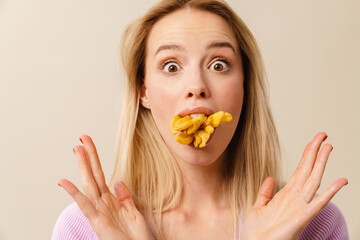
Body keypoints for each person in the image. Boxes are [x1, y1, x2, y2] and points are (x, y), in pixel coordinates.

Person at [52, 0, 349, 239]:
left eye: (219, 64)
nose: (197, 86)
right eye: (171, 66)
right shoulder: (87, 228)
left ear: (244, 86)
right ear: (144, 92)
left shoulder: (313, 222)